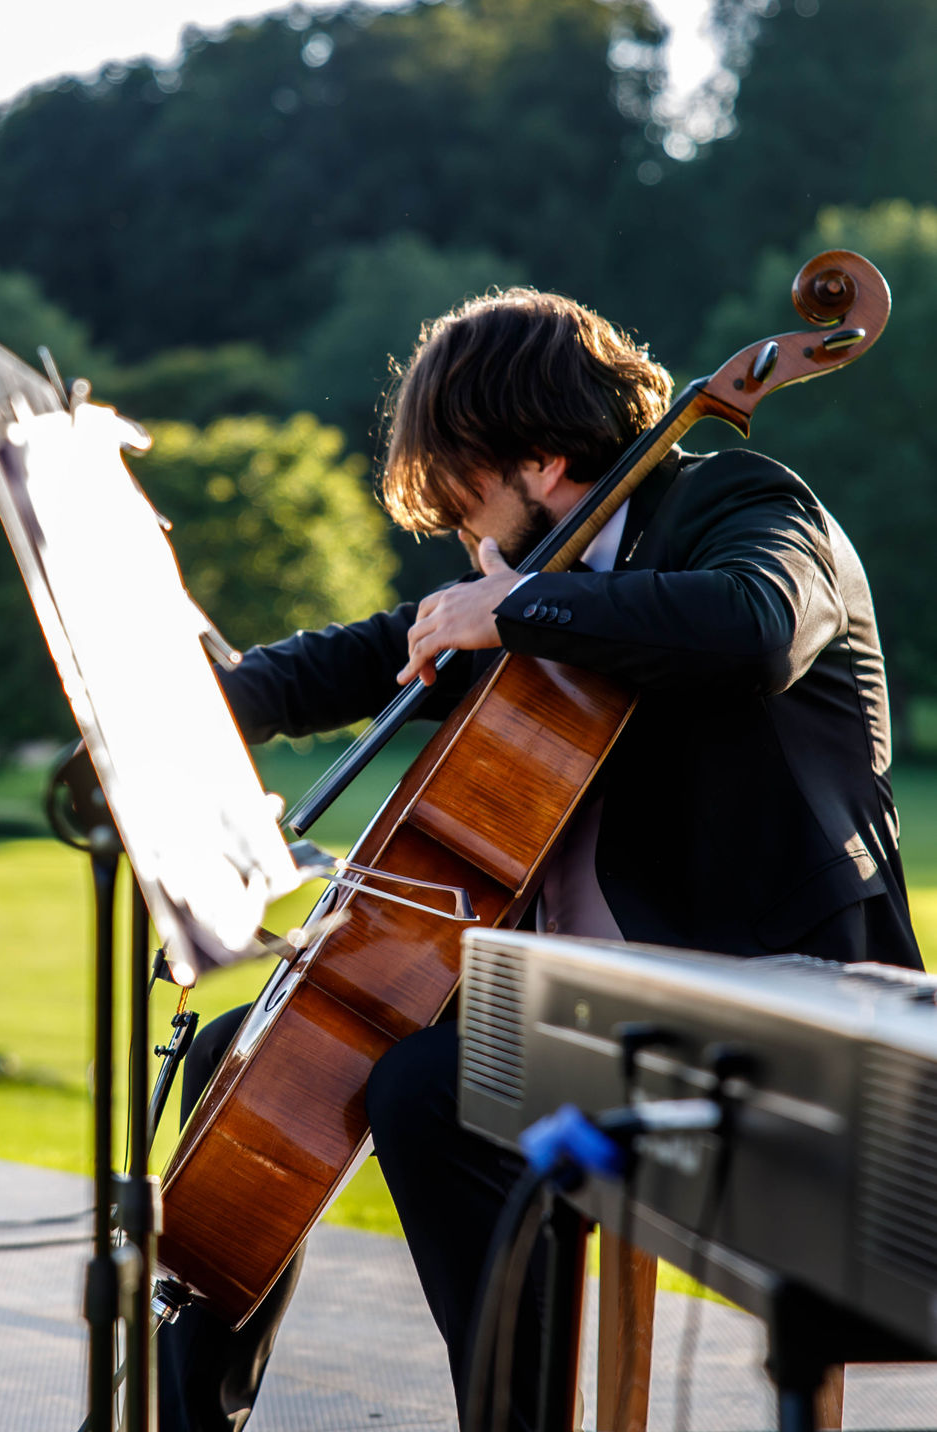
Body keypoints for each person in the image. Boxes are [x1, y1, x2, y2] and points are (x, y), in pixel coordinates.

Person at [158, 287, 923, 1432]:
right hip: (593, 1010)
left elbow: (756, 625)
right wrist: (180, 705)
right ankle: (181, 1418)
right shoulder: (547, 582)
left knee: (429, 1087)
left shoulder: (742, 503)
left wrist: (520, 607)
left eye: (464, 489)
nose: (459, 533)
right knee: (250, 1053)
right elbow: (371, 654)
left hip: (775, 1009)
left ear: (544, 458)